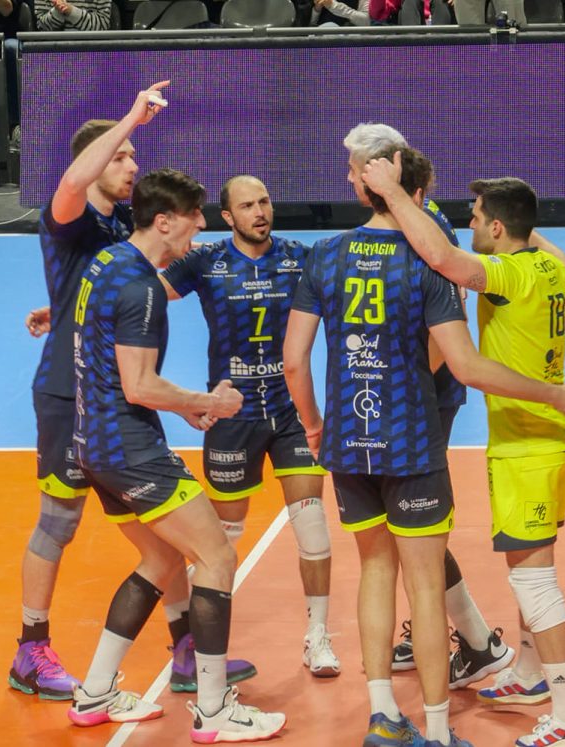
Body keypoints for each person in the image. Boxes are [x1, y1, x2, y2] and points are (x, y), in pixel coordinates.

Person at [284, 144, 565, 747]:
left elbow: (297, 359)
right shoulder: (547, 267)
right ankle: (475, 707)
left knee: (514, 576)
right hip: (462, 439)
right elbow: (466, 329)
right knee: (457, 578)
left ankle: (564, 712)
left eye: (477, 216)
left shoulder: (328, 256)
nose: (466, 221)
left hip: (481, 442)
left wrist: (316, 426)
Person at [17, 85, 256, 703]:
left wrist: (58, 308)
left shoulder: (123, 227)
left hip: (114, 395)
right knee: (58, 522)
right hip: (71, 395)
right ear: (95, 158)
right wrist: (129, 117)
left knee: (162, 541)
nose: (132, 165)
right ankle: (30, 648)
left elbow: (107, 291)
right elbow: (73, 182)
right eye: (121, 156)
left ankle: (185, 648)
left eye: (132, 156)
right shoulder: (70, 216)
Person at [66, 168, 286, 743]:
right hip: (131, 449)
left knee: (162, 562)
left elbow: (115, 368)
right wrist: (205, 401)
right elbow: (139, 385)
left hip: (94, 444)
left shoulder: (107, 263)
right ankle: (214, 712)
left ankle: (95, 693)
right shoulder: (141, 287)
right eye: (193, 218)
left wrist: (182, 407)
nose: (201, 228)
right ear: (164, 221)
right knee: (216, 557)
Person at [341, 123, 516, 692]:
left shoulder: (424, 228)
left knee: (413, 530)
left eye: (355, 169)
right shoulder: (412, 217)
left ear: (380, 172)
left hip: (418, 401)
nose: (349, 178)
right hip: (403, 399)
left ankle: (477, 641)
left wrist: (404, 385)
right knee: (408, 531)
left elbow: (445, 331)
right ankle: (454, 632)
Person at [159, 175, 341, 679]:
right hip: (231, 414)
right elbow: (141, 294)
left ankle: (318, 637)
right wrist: (66, 312)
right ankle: (193, 640)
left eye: (264, 202)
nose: (259, 212)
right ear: (227, 216)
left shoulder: (299, 258)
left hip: (290, 411)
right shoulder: (205, 262)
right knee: (222, 539)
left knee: (312, 523)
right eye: (247, 206)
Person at [35, 0, 112, 31]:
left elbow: (102, 26)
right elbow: (42, 28)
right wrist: (58, 11)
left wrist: (72, 12)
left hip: (92, 51)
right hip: (52, 51)